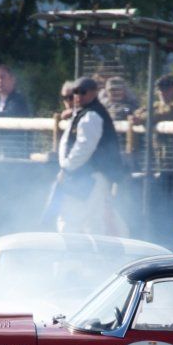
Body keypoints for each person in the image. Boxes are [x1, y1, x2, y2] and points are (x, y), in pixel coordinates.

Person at [49, 77, 127, 235]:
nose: (78, 96)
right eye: (75, 93)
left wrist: (66, 167)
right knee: (94, 222)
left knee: (72, 218)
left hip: (90, 177)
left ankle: (77, 256)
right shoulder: (85, 113)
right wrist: (66, 166)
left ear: (93, 93)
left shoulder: (92, 115)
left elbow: (83, 148)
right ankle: (97, 257)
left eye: (82, 92)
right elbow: (67, 143)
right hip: (88, 176)